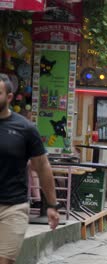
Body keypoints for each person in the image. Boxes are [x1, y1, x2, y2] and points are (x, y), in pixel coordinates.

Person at [0, 75, 60, 263]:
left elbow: (42, 167)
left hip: (12, 207)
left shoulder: (25, 129)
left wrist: (52, 205)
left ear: (9, 97)